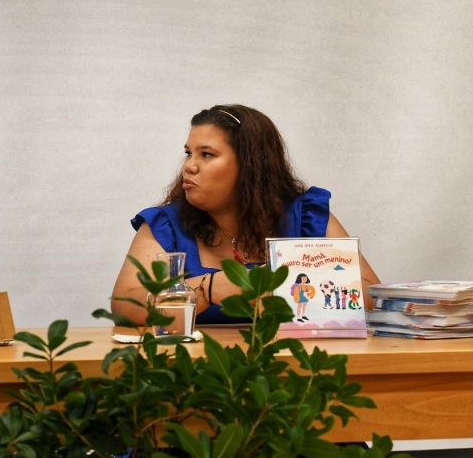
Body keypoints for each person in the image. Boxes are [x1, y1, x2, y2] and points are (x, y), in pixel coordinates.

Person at [111, 104, 379, 325]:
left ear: (250, 164)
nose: (189, 166)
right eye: (188, 153)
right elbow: (124, 306)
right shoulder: (165, 225)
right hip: (197, 368)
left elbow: (370, 294)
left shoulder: (306, 217)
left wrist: (284, 288)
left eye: (206, 154)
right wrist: (208, 288)